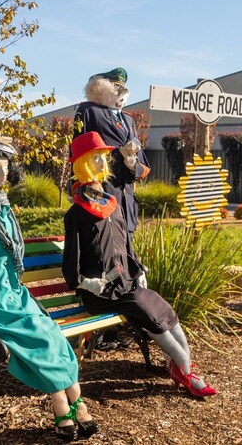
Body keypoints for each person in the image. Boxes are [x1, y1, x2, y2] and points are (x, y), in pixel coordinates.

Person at [0, 130, 99, 441]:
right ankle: (63, 404)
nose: (2, 174)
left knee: (52, 333)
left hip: (15, 297)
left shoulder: (5, 213)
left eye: (5, 168)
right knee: (37, 335)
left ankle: (76, 402)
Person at [62, 131, 217, 399]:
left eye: (102, 157)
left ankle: (181, 367)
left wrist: (138, 267)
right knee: (152, 317)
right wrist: (85, 283)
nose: (102, 162)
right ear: (83, 163)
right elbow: (71, 261)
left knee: (166, 312)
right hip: (103, 293)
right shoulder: (76, 212)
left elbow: (125, 243)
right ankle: (186, 372)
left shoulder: (111, 202)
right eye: (95, 157)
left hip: (127, 284)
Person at [73, 67, 151, 349]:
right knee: (100, 261)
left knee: (125, 263)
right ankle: (97, 332)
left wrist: (132, 163)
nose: (120, 95)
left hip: (126, 203)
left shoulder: (129, 120)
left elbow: (143, 168)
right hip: (101, 199)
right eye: (115, 89)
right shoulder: (88, 112)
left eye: (123, 90)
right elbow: (80, 152)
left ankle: (117, 327)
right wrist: (117, 156)